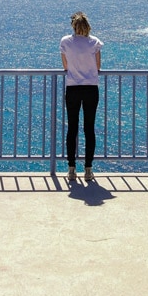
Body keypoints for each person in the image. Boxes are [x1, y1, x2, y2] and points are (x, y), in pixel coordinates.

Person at [60, 11, 103, 182]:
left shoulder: (65, 42)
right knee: (89, 129)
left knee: (72, 129)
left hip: (73, 88)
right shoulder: (94, 42)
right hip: (91, 88)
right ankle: (88, 169)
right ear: (87, 26)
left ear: (73, 26)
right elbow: (98, 66)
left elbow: (65, 66)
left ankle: (71, 169)